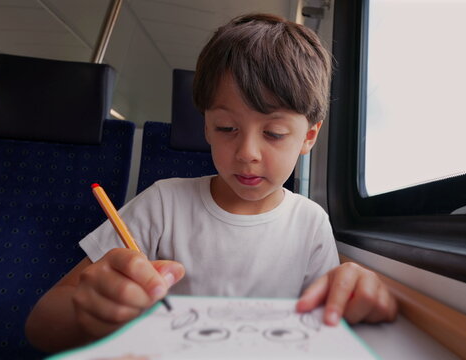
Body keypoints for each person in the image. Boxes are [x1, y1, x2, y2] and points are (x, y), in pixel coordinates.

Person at [25, 13, 397, 353]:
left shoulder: (311, 222)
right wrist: (88, 309)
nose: (247, 152)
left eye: (274, 133)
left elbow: (323, 327)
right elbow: (40, 324)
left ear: (308, 138)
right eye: (227, 128)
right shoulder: (163, 203)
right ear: (206, 126)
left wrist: (353, 295)